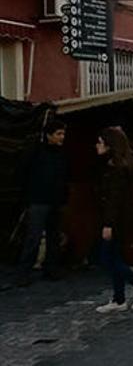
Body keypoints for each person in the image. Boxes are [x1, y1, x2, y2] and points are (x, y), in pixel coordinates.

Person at [94, 127, 133, 313]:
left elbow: (114, 199)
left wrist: (108, 224)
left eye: (100, 142)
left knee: (106, 258)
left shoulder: (116, 169)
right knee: (115, 255)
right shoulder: (125, 166)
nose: (97, 145)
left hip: (117, 219)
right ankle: (118, 299)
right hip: (125, 217)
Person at [16, 120, 69, 287]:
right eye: (58, 134)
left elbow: (63, 176)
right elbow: (23, 174)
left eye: (63, 134)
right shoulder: (36, 152)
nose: (62, 137)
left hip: (55, 201)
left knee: (54, 237)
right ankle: (24, 272)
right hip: (38, 200)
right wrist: (27, 197)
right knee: (34, 237)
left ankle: (51, 268)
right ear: (49, 135)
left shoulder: (61, 154)